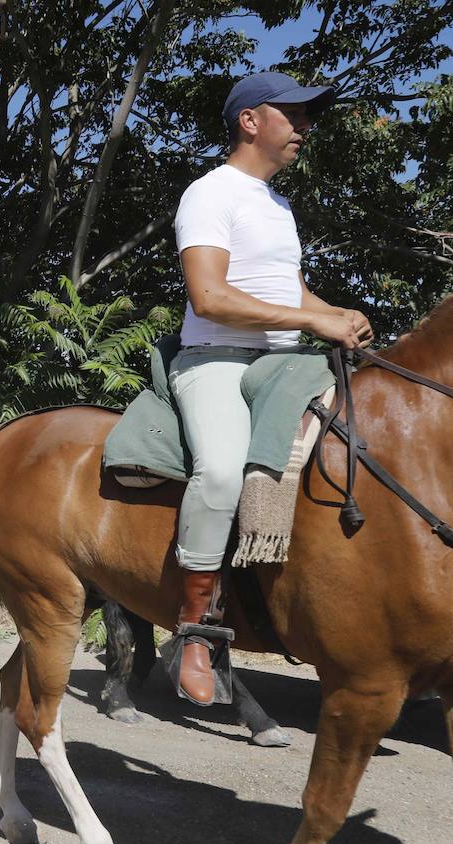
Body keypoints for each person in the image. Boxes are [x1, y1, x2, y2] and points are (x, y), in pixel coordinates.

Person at [169, 71, 373, 705]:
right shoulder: (210, 193)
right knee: (224, 472)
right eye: (295, 116)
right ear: (250, 121)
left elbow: (287, 292)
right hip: (216, 362)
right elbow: (209, 296)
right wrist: (312, 319)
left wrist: (332, 313)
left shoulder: (277, 206)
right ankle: (195, 633)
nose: (305, 128)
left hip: (284, 362)